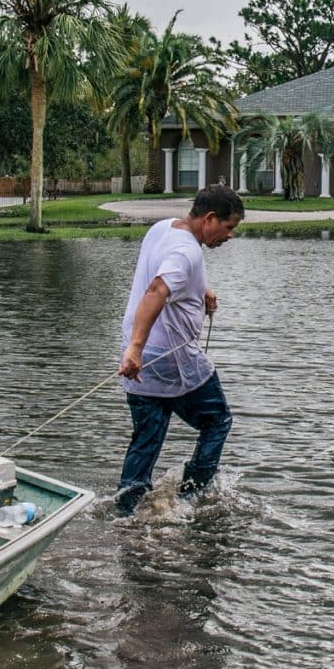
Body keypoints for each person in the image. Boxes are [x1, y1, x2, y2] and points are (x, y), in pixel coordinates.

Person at [114, 183, 244, 515]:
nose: (230, 236)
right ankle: (191, 498)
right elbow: (158, 289)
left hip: (143, 362)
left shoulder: (163, 229)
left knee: (147, 438)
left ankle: (126, 510)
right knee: (217, 422)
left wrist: (201, 289)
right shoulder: (188, 251)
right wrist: (136, 349)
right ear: (210, 219)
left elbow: (164, 273)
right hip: (170, 359)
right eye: (228, 228)